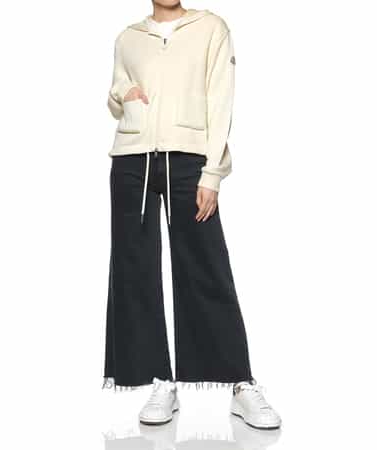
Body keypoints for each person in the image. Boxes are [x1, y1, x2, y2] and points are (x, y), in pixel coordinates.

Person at [103, 0, 281, 430]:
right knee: (134, 270)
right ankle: (159, 380)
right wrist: (124, 95)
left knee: (205, 265)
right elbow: (116, 92)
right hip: (132, 159)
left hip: (188, 161)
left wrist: (212, 174)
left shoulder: (211, 28)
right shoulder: (128, 38)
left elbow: (220, 101)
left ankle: (240, 382)